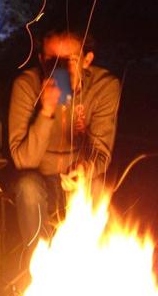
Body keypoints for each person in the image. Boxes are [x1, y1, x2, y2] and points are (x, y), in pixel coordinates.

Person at [8, 29, 120, 256]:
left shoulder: (104, 86)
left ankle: (84, 263)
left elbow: (102, 153)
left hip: (77, 174)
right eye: (53, 61)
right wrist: (47, 111)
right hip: (39, 175)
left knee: (97, 186)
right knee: (28, 188)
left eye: (71, 60)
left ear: (87, 60)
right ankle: (40, 269)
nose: (62, 69)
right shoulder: (26, 86)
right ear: (41, 60)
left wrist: (84, 169)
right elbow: (23, 160)